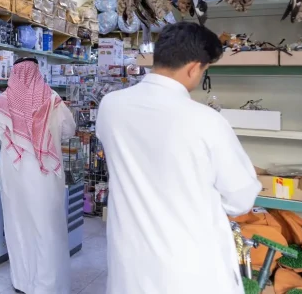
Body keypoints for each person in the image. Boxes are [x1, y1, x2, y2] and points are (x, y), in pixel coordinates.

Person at [96, 22, 262, 294]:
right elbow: (240, 199)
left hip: (130, 260)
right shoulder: (207, 121)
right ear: (194, 68)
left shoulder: (111, 106)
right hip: (188, 266)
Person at [0, 57, 76, 294]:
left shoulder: (4, 101)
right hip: (45, 176)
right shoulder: (52, 99)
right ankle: (49, 285)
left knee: (18, 225)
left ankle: (23, 282)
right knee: (48, 227)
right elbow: (69, 130)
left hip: (15, 175)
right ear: (38, 72)